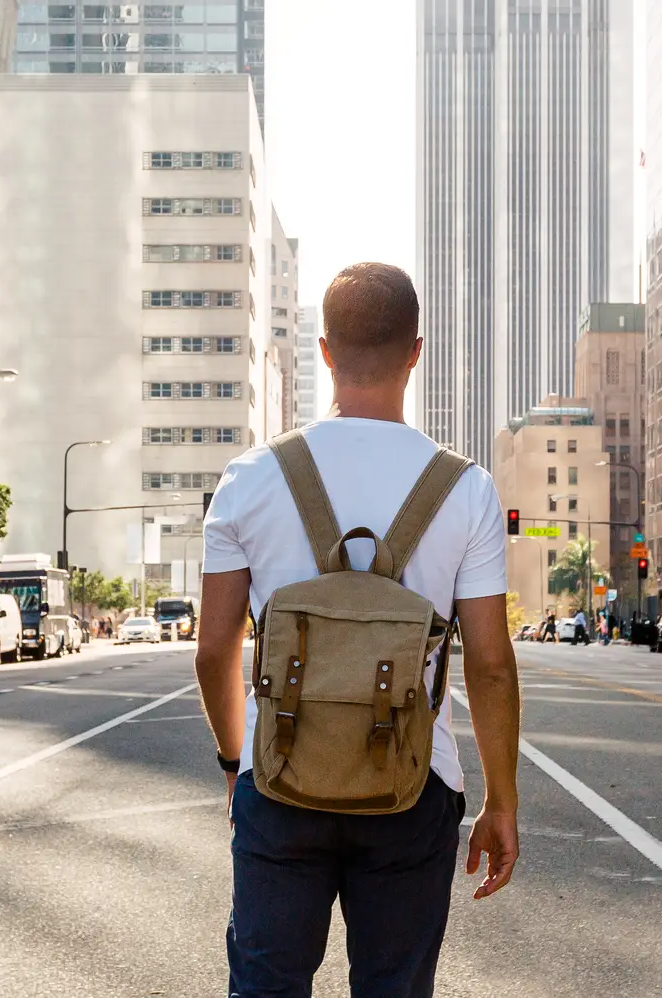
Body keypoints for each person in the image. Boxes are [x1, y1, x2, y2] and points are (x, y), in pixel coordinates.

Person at [194, 263, 520, 998]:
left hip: (279, 778)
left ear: (325, 351)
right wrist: (501, 802)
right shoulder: (464, 489)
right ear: (415, 352)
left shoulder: (249, 478)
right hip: (413, 787)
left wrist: (233, 761)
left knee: (266, 986)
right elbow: (492, 666)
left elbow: (214, 648)